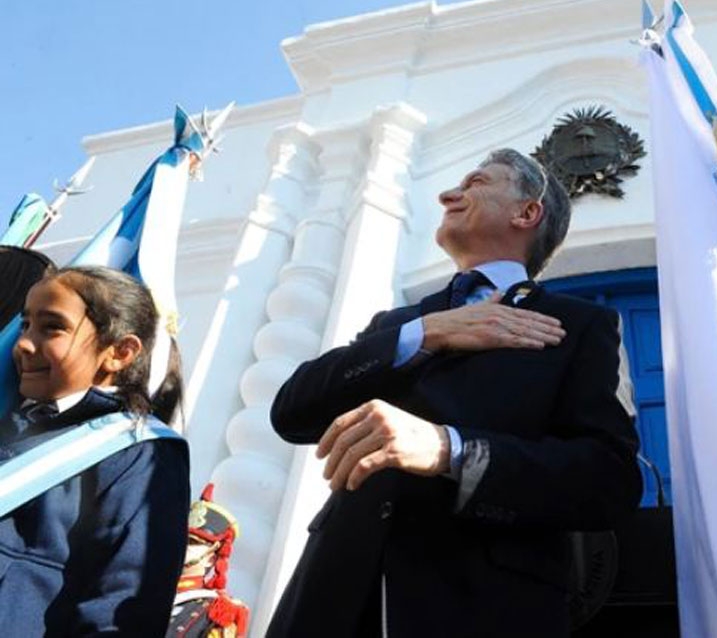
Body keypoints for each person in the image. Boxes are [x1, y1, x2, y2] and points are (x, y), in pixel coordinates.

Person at [267, 148, 642, 637]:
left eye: (476, 183)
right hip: (332, 600)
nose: (448, 195)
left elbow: (608, 480)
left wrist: (452, 450)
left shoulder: (580, 325)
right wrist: (428, 332)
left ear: (527, 212)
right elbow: (291, 412)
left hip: (483, 609)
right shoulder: (398, 324)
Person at [0, 265, 190, 635]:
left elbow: (122, 605)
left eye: (52, 327)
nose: (23, 343)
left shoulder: (140, 453)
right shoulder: (12, 427)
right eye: (25, 325)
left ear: (119, 352)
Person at [167, 483, 250, 638]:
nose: (183, 545)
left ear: (211, 559)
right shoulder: (144, 590)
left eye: (192, 542)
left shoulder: (217, 612)